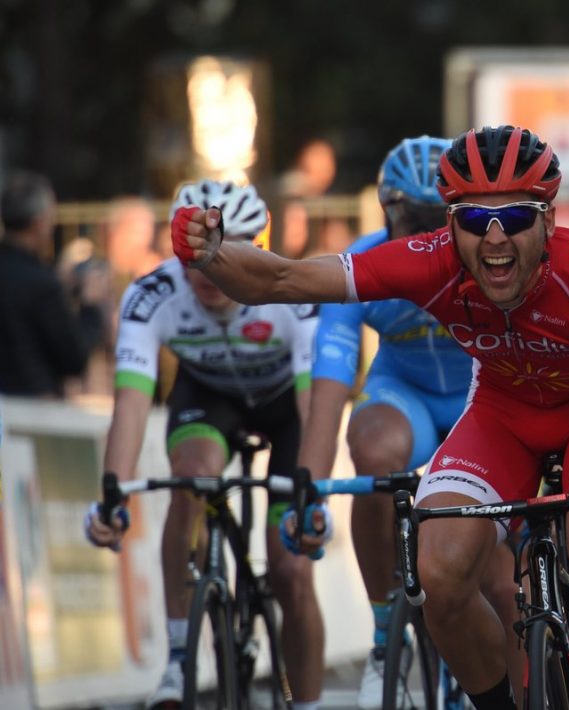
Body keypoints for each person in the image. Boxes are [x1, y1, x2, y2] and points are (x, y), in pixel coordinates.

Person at [170, 125, 569, 710]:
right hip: (502, 415)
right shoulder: (429, 260)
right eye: (471, 220)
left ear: (548, 221)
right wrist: (212, 253)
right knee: (435, 572)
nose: (493, 240)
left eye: (514, 219)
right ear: (447, 223)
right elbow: (283, 277)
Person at [84, 180, 326, 710]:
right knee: (190, 482)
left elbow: (315, 410)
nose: (208, 271)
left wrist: (315, 497)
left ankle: (307, 702)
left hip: (286, 409)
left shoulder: (293, 296)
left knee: (291, 570)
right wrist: (113, 495)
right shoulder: (152, 295)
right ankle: (177, 657)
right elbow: (130, 404)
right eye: (195, 254)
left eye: (224, 254)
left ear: (255, 251)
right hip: (209, 399)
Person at [294, 135, 479, 709]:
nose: (423, 233)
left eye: (436, 219)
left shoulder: (487, 259)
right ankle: (384, 634)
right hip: (406, 395)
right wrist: (309, 493)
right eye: (409, 218)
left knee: (497, 573)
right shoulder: (363, 266)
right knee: (372, 453)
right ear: (386, 214)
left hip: (483, 396)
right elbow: (329, 392)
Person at [0, 171, 106, 397]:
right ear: (38, 223)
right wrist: (90, 307)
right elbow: (74, 358)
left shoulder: (40, 279)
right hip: (31, 406)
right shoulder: (42, 284)